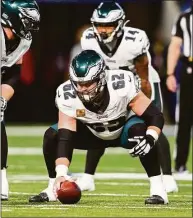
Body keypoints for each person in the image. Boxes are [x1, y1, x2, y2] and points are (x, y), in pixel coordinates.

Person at [30, 2, 177, 200]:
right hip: (94, 130)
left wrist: (150, 135)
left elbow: (154, 114)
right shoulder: (67, 91)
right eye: (78, 84)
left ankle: (159, 186)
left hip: (125, 112)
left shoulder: (123, 81)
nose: (82, 89)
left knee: (141, 131)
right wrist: (62, 174)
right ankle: (53, 186)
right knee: (51, 135)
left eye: (88, 83)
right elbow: (65, 135)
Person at [1, 0, 40, 200]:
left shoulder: (23, 41)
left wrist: (2, 99)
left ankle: (1, 179)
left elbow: (12, 74)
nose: (30, 25)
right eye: (27, 20)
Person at [166, 6, 192, 173]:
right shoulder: (185, 18)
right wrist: (170, 74)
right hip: (190, 69)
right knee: (184, 119)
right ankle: (180, 164)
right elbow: (175, 46)